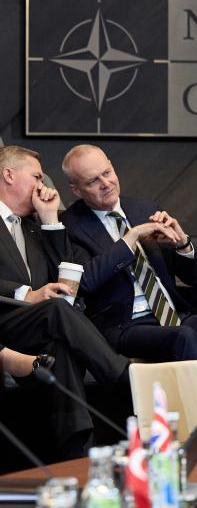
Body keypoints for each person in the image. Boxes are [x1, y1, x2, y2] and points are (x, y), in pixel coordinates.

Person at [0, 145, 130, 459]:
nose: (42, 185)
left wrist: (50, 220)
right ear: (8, 174)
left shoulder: (34, 226)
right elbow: (42, 298)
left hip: (39, 325)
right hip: (4, 320)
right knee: (55, 311)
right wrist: (24, 295)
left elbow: (68, 278)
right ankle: (126, 380)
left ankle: (77, 455)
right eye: (35, 177)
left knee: (60, 351)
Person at [61, 145, 197, 361]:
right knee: (184, 337)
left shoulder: (144, 209)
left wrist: (182, 243)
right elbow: (84, 281)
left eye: (107, 173)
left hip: (174, 316)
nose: (106, 184)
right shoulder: (71, 225)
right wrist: (131, 237)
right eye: (93, 181)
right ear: (76, 190)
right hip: (124, 325)